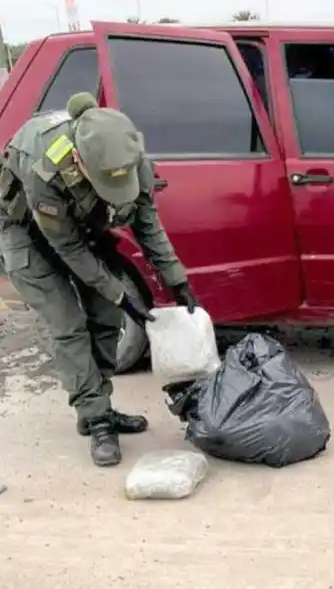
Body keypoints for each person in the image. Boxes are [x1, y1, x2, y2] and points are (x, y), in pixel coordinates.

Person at [0, 93, 196, 467]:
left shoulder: (129, 154)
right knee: (68, 323)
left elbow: (145, 220)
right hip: (25, 231)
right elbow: (68, 249)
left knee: (106, 315)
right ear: (79, 161)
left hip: (82, 225)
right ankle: (96, 418)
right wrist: (122, 295)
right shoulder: (48, 167)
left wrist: (176, 278)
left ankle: (99, 402)